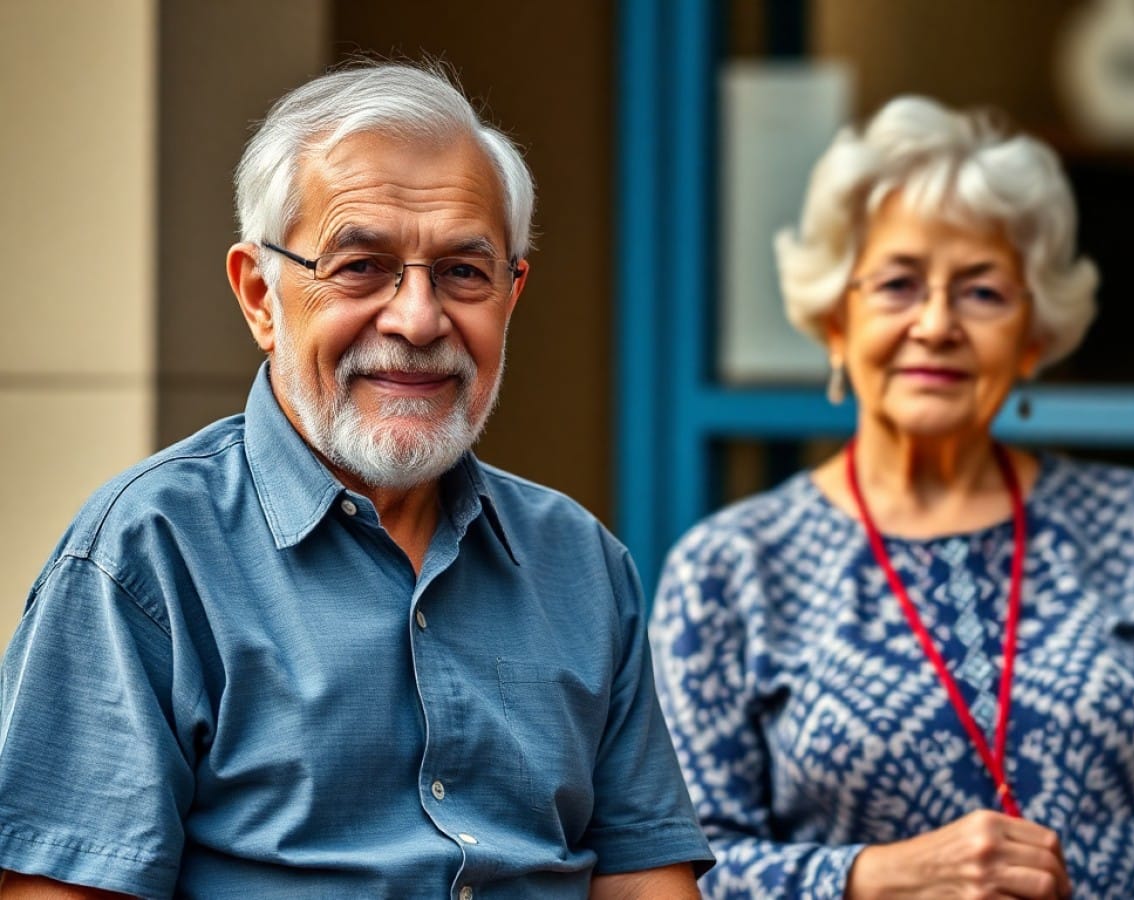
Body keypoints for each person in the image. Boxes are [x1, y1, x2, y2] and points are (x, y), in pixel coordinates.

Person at [0, 61, 713, 899]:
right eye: (361, 265)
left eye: (464, 271)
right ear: (260, 296)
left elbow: (643, 882)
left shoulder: (579, 562)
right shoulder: (149, 554)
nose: (418, 319)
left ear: (510, 295)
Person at [650, 95, 1134, 898]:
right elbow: (673, 869)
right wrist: (876, 876)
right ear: (836, 320)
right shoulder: (730, 569)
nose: (937, 325)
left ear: (1034, 337)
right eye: (899, 285)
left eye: (983, 293)